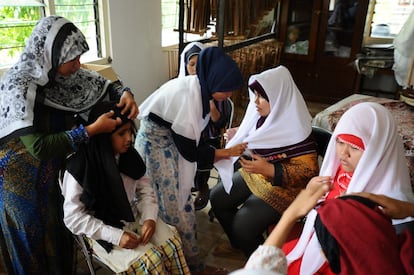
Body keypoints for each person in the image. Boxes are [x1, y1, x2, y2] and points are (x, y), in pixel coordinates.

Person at [0, 16, 137, 274]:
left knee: (58, 235)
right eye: (72, 60)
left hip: (51, 174)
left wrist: (125, 92)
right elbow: (38, 147)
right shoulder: (17, 85)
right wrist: (91, 130)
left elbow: (101, 84)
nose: (79, 65)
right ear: (51, 56)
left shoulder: (64, 76)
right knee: (31, 242)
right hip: (19, 181)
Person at [234, 102, 414, 275]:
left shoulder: (392, 202)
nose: (343, 154)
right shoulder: (336, 173)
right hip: (313, 247)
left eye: (355, 147)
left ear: (377, 151)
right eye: (340, 142)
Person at [134, 46, 247, 273]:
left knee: (178, 204)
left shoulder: (201, 90)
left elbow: (199, 135)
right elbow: (191, 151)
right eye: (227, 90)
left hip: (169, 143)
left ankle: (185, 260)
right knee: (176, 208)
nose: (229, 96)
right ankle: (187, 264)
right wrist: (224, 154)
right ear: (214, 81)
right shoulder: (189, 96)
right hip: (156, 147)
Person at [62, 101, 190, 274]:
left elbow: (145, 190)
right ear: (103, 136)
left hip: (131, 215)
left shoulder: (129, 156)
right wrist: (115, 236)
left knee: (171, 245)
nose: (129, 138)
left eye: (130, 131)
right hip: (102, 229)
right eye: (121, 133)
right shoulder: (80, 167)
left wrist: (149, 218)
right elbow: (73, 218)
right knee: (150, 261)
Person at [210, 65, 319, 257]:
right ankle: (241, 244)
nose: (256, 102)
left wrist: (269, 169)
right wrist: (239, 135)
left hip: (287, 188)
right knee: (217, 198)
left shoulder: (297, 128)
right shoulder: (261, 117)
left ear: (278, 98)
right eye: (255, 95)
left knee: (243, 225)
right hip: (258, 173)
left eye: (262, 96)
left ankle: (263, 263)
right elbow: (255, 139)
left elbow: (308, 173)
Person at [178, 42, 233, 210]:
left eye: (199, 65)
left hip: (208, 137)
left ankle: (202, 185)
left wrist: (209, 104)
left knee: (203, 151)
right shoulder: (179, 88)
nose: (195, 69)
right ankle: (185, 187)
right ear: (185, 66)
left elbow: (220, 123)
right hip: (186, 136)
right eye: (192, 64)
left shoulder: (217, 89)